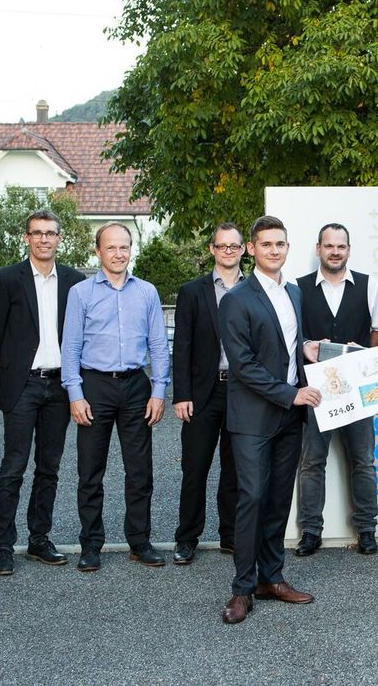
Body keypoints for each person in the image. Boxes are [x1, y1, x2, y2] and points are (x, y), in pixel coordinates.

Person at [218, 215, 322, 624]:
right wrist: (290, 393)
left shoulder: (293, 292)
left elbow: (286, 347)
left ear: (287, 248)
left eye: (280, 244)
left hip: (290, 417)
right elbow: (243, 364)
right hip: (253, 419)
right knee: (252, 499)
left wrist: (308, 351)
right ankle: (242, 588)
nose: (274, 250)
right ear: (252, 249)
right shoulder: (236, 299)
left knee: (279, 499)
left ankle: (271, 578)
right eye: (266, 244)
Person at [61, 223, 169, 573]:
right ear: (98, 251)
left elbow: (158, 345)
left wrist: (159, 391)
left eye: (124, 247)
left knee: (140, 471)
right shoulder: (80, 293)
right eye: (111, 247)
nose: (118, 254)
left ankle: (140, 541)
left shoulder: (147, 292)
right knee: (90, 471)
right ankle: (91, 544)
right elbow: (71, 347)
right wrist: (75, 394)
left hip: (136, 385)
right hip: (95, 386)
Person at [0, 209, 85, 575]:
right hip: (23, 385)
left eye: (50, 233)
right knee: (13, 467)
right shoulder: (6, 279)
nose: (44, 239)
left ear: (60, 238)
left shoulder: (74, 282)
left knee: (49, 468)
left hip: (59, 385)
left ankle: (39, 539)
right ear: (27, 238)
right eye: (37, 233)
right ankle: (2, 546)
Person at [294, 223, 378, 557]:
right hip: (316, 390)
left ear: (349, 250)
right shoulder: (298, 288)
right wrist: (306, 345)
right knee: (312, 462)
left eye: (341, 246)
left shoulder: (368, 284)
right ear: (318, 248)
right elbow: (293, 334)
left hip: (357, 388)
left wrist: (363, 352)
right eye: (329, 246)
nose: (335, 252)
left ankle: (367, 530)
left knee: (363, 461)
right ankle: (310, 532)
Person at [170, 223, 245, 566]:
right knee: (195, 468)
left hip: (242, 391)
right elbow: (181, 346)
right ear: (212, 250)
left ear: (243, 250)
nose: (228, 251)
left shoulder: (254, 288)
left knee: (235, 468)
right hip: (202, 393)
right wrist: (181, 394)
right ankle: (187, 538)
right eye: (222, 245)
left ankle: (230, 534)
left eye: (234, 246)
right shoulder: (192, 291)